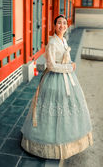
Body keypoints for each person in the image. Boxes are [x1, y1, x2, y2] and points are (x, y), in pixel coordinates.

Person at [21, 15, 93, 159]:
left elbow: (65, 58)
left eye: (64, 23)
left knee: (67, 106)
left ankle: (69, 137)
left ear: (67, 26)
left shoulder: (63, 40)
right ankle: (49, 141)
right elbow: (51, 65)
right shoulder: (52, 43)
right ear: (54, 26)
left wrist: (70, 64)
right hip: (54, 79)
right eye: (59, 23)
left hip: (67, 78)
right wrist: (69, 67)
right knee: (52, 107)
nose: (62, 25)